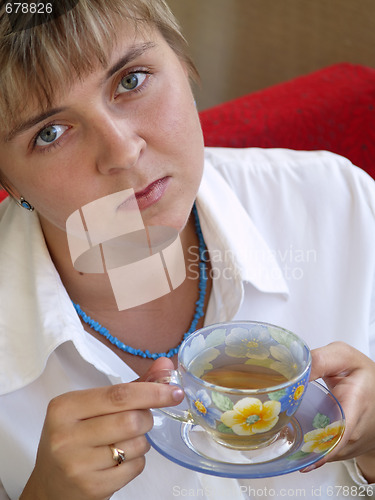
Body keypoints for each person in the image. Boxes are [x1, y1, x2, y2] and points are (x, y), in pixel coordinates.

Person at [0, 1, 375, 499]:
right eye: (49, 132)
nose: (122, 152)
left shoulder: (338, 202)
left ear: (184, 63)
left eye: (131, 81)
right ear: (8, 180)